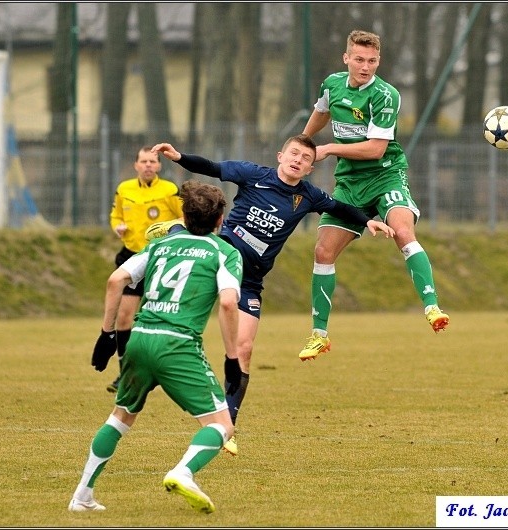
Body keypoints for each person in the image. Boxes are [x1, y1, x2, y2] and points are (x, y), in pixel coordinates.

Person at [150, 134, 394, 457]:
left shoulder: (308, 196)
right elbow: (211, 167)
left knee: (245, 349)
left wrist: (368, 221)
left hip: (250, 280)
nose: (298, 160)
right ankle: (178, 230)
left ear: (309, 168)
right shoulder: (253, 175)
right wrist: (179, 157)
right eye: (293, 154)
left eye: (305, 159)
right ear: (281, 155)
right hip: (220, 259)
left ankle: (226, 427)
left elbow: (338, 207)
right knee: (179, 321)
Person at [68, 180, 242, 514]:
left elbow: (115, 279)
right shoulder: (224, 252)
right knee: (222, 425)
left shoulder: (163, 244)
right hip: (177, 345)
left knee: (121, 417)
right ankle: (183, 472)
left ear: (184, 215)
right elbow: (229, 304)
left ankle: (82, 496)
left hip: (139, 338)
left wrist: (106, 335)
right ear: (220, 220)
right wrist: (232, 358)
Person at [297, 29, 449, 362]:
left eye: (373, 60)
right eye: (360, 59)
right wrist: (303, 142)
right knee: (322, 251)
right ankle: (319, 336)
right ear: (346, 58)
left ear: (379, 61)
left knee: (404, 232)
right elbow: (323, 111)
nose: (366, 67)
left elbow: (376, 149)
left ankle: (432, 307)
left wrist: (326, 149)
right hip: (349, 183)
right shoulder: (332, 84)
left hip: (384, 174)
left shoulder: (386, 94)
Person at [106, 146, 184, 393]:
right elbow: (116, 215)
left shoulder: (170, 190)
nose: (148, 165)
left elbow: (185, 218)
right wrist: (117, 226)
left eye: (153, 161)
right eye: (144, 161)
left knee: (160, 316)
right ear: (136, 165)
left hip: (162, 259)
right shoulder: (124, 189)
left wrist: (170, 234)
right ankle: (125, 373)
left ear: (159, 166)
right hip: (131, 257)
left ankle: (164, 370)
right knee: (124, 317)